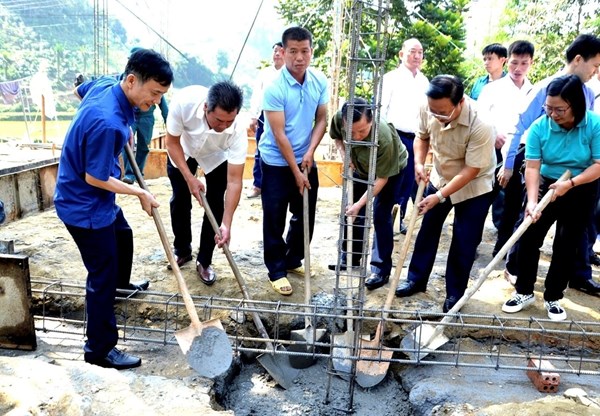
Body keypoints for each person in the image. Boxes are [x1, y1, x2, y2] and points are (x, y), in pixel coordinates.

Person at [54, 49, 173, 369]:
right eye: (154, 94)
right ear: (132, 81)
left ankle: (121, 286)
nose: (156, 102)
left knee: (123, 234)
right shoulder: (108, 123)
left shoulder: (108, 84)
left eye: (161, 95)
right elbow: (96, 177)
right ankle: (99, 349)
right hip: (83, 205)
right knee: (101, 274)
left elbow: (81, 89)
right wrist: (138, 192)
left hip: (96, 200)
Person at [501, 34, 600, 294]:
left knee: (571, 236)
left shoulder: (588, 98)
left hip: (578, 174)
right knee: (530, 223)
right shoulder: (546, 91)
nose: (595, 72)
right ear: (579, 60)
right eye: (594, 66)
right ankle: (518, 275)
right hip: (539, 160)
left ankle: (565, 285)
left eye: (560, 110)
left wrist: (574, 181)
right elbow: (522, 129)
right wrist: (509, 164)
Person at [395, 75, 496, 312]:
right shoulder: (428, 107)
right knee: (428, 228)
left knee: (464, 239)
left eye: (443, 113)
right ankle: (416, 279)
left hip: (474, 185)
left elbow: (472, 169)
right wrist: (419, 164)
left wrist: (439, 197)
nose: (437, 117)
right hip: (441, 176)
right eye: (434, 112)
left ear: (460, 103)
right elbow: (422, 137)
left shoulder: (481, 123)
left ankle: (455, 294)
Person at [259, 26, 328, 296]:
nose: (299, 57)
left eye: (304, 51)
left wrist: (310, 153)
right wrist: (295, 170)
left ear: (311, 51)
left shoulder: (319, 80)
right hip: (277, 160)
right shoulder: (274, 87)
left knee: (305, 213)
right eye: (293, 51)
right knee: (274, 216)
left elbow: (322, 118)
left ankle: (293, 258)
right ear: (283, 52)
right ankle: (276, 269)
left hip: (305, 158)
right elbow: (279, 134)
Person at [165, 81, 246, 286]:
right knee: (180, 199)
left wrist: (227, 223)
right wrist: (189, 177)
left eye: (229, 121)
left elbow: (235, 180)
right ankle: (182, 250)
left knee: (215, 202)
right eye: (219, 120)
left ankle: (205, 261)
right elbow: (172, 142)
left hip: (216, 155)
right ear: (205, 108)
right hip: (182, 150)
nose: (223, 126)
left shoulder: (237, 129)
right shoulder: (184, 102)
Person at [327, 98, 408, 289]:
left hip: (390, 171)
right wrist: (344, 152)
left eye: (362, 131)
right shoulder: (340, 118)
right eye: (351, 132)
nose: (356, 136)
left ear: (371, 121)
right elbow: (337, 137)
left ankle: (380, 270)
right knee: (352, 212)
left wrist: (360, 204)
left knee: (380, 215)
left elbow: (381, 179)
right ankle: (350, 258)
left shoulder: (384, 137)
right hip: (359, 165)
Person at [477, 40, 535, 255]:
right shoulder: (492, 89)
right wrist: (492, 135)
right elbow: (479, 118)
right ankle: (471, 242)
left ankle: (502, 247)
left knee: (512, 204)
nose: (518, 69)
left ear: (531, 63)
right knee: (482, 198)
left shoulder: (533, 91)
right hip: (492, 150)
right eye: (514, 63)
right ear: (506, 61)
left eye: (524, 63)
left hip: (521, 153)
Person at [381, 38, 429, 234]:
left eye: (420, 52)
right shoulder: (390, 78)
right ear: (402, 54)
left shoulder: (424, 81)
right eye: (412, 51)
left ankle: (398, 219)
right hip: (393, 137)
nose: (416, 56)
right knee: (391, 182)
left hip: (416, 138)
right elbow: (381, 111)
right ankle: (385, 220)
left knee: (408, 181)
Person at [121, 48, 169, 185]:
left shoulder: (152, 82)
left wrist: (168, 120)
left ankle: (138, 173)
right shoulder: (126, 79)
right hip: (131, 115)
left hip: (147, 118)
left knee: (143, 146)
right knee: (129, 144)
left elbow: (162, 103)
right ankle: (130, 175)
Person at [247, 42, 284, 199]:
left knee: (284, 149)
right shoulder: (265, 74)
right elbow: (257, 96)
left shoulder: (289, 73)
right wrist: (254, 116)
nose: (276, 54)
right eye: (274, 51)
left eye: (279, 51)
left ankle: (279, 186)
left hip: (284, 116)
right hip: (264, 116)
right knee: (261, 150)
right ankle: (258, 185)